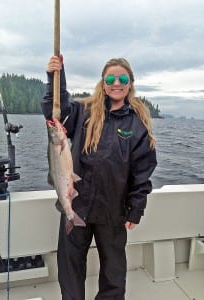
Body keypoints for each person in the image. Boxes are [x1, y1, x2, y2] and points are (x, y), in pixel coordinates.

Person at [41, 55, 157, 300]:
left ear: (130, 83)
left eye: (122, 78)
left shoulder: (137, 124)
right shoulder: (83, 111)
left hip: (113, 211)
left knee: (114, 274)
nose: (117, 83)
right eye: (111, 78)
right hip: (78, 205)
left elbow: (142, 172)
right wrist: (55, 77)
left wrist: (136, 209)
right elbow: (54, 111)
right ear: (103, 83)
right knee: (70, 268)